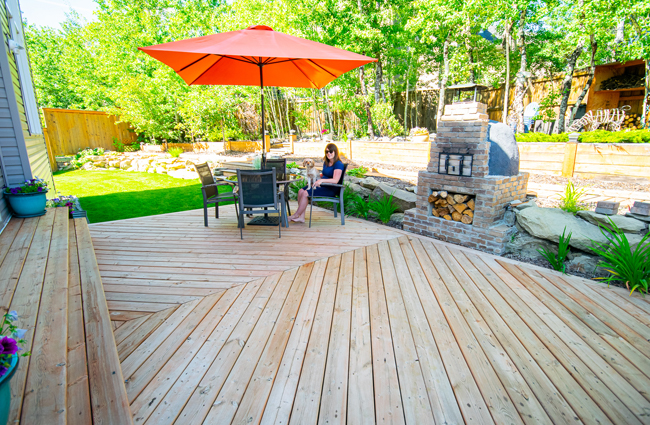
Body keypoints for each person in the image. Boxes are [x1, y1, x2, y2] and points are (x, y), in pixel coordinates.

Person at [289, 143, 344, 223]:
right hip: (321, 185)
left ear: (335, 152)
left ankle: (296, 215)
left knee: (305, 193)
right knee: (300, 191)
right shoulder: (326, 162)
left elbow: (335, 180)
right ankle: (302, 217)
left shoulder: (338, 164)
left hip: (330, 188)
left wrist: (321, 180)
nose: (328, 153)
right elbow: (323, 174)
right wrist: (314, 178)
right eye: (327, 152)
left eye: (331, 151)